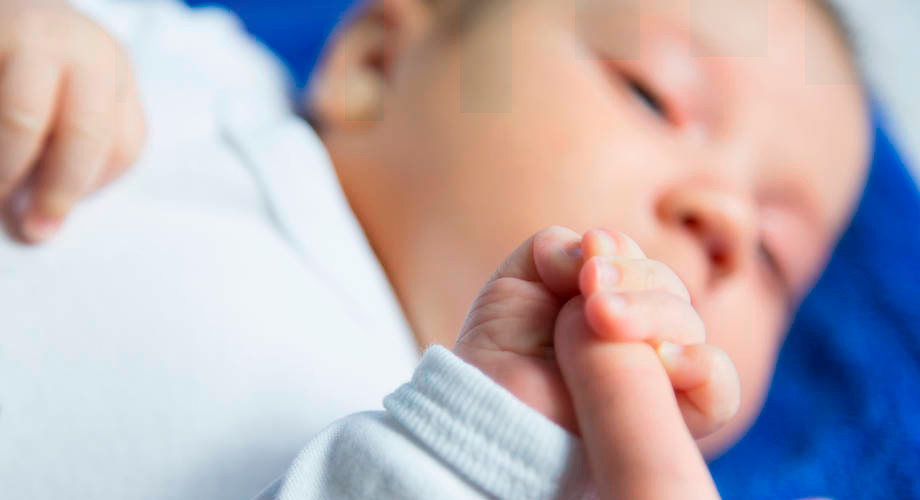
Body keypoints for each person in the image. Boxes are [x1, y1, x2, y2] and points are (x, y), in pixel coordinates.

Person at [0, 0, 869, 498]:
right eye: (655, 96)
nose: (725, 219)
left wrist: (490, 447)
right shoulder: (184, 67)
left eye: (775, 257)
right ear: (375, 63)